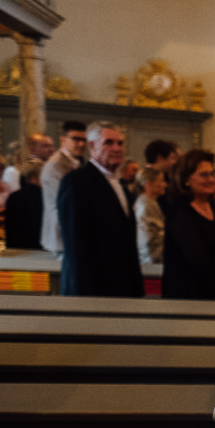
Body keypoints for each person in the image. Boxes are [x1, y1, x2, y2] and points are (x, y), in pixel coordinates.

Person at [56, 121, 143, 297]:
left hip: (122, 287)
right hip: (93, 289)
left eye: (120, 143)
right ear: (92, 146)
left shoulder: (120, 184)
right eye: (108, 142)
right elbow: (76, 245)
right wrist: (84, 298)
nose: (117, 148)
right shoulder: (76, 182)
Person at [161, 150, 215, 300]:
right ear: (186, 179)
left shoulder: (213, 208)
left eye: (213, 174)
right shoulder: (180, 212)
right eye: (204, 174)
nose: (211, 179)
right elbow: (197, 258)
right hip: (189, 296)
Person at [40, 119, 87, 253]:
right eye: (76, 139)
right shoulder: (56, 166)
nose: (81, 144)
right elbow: (63, 205)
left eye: (84, 140)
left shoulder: (77, 161)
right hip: (61, 237)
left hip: (72, 233)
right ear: (63, 140)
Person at [2, 159, 45, 250]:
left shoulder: (14, 196)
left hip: (16, 248)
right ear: (35, 176)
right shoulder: (44, 196)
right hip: (39, 249)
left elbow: (9, 227)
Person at [134, 165, 168, 264]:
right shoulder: (147, 205)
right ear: (148, 184)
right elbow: (151, 239)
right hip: (151, 262)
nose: (165, 185)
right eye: (161, 181)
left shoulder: (147, 202)